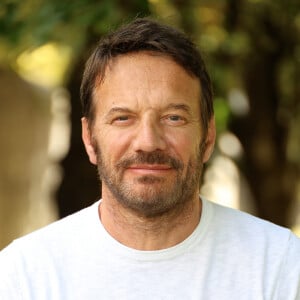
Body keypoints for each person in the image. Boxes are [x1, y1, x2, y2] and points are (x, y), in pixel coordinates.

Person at [0, 18, 299, 300]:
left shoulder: (280, 267)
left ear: (207, 137)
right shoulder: (24, 277)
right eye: (122, 118)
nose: (148, 142)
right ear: (89, 138)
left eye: (173, 117)